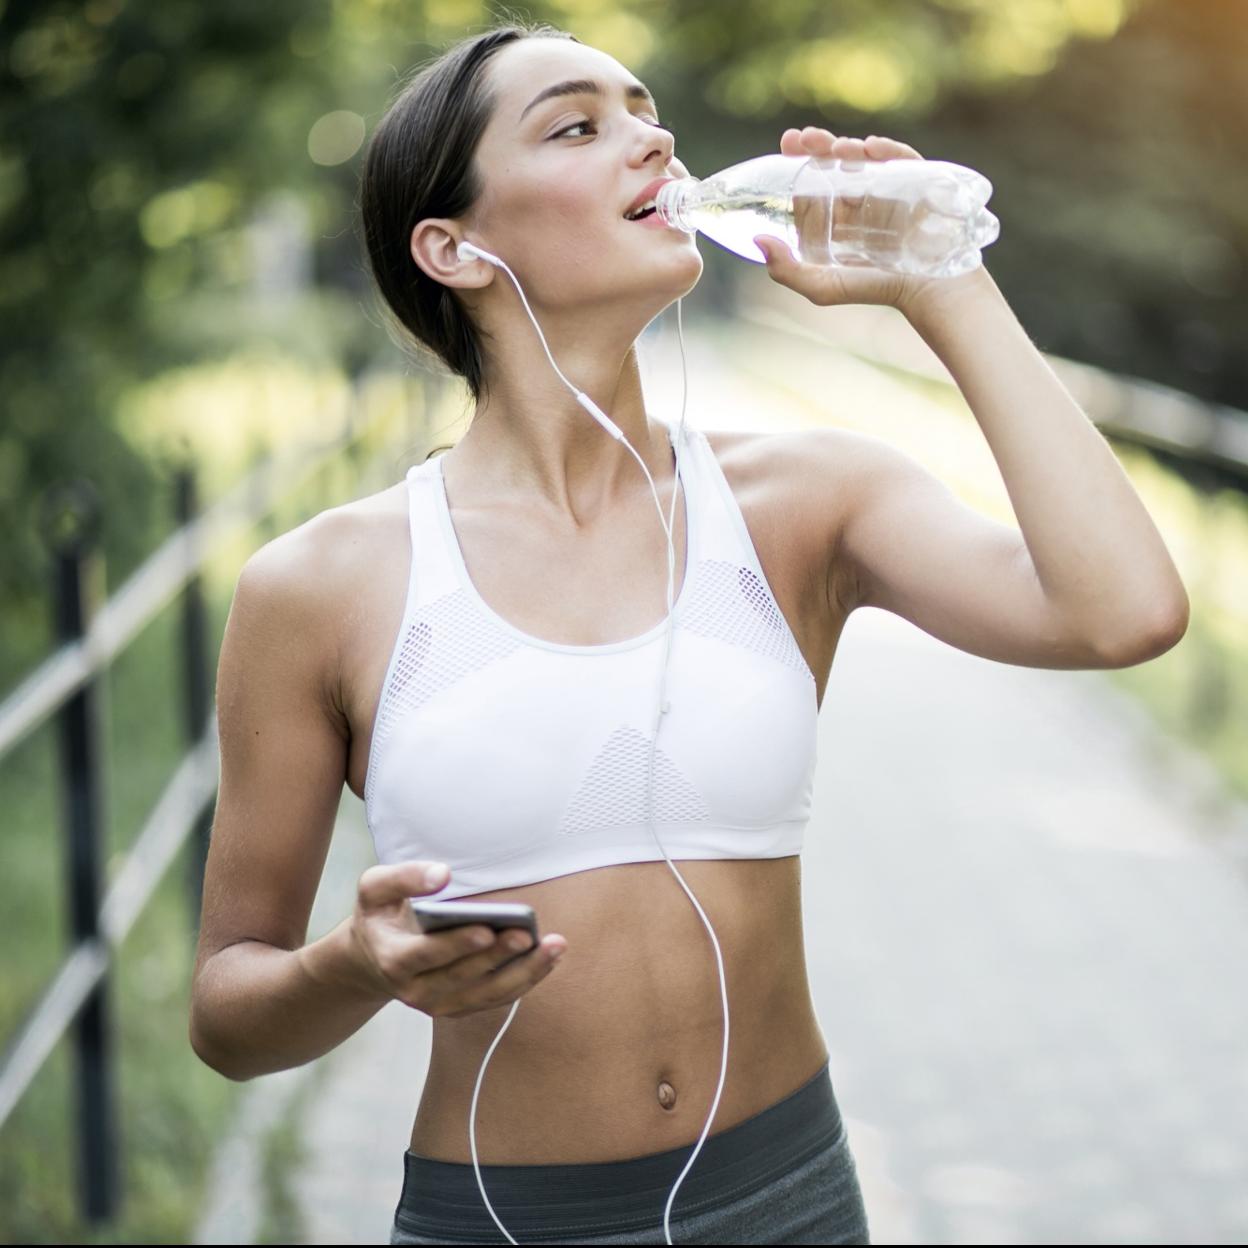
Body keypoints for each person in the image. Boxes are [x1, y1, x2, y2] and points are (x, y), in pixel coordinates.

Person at [189, 18, 1189, 1248]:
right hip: (494, 1222)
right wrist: (353, 965)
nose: (651, 139)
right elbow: (229, 1016)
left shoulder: (807, 500)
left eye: (645, 110)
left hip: (794, 1205)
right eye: (578, 124)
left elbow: (1125, 612)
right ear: (452, 246)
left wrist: (943, 280)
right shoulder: (319, 585)